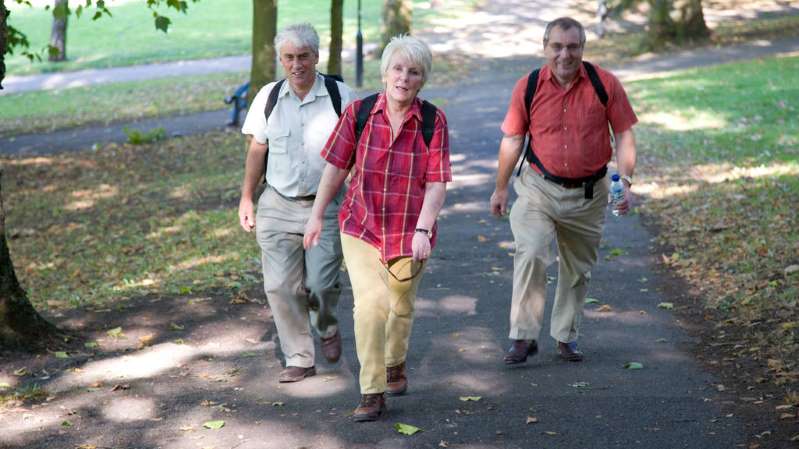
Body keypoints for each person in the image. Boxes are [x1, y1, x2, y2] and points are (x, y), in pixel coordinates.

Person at [304, 35, 451, 422]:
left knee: (400, 306)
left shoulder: (433, 120)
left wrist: (423, 229)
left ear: (422, 79)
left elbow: (436, 183)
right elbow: (336, 167)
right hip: (361, 224)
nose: (404, 77)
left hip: (408, 230)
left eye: (414, 71)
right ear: (385, 72)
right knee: (369, 305)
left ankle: (394, 362)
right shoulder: (360, 113)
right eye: (398, 68)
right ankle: (372, 391)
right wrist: (317, 214)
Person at [489, 17, 637, 365]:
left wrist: (626, 181)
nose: (565, 54)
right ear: (545, 48)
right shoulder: (528, 86)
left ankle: (565, 336)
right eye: (557, 46)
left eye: (572, 46)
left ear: (582, 48)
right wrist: (500, 189)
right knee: (531, 251)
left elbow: (625, 134)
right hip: (538, 188)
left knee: (577, 268)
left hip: (589, 194)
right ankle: (523, 337)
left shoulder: (605, 84)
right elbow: (513, 139)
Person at [238, 23, 354, 383]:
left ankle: (326, 326)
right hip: (278, 203)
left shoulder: (340, 96)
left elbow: (357, 153)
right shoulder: (268, 97)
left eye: (304, 56)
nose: (296, 64)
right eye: (289, 57)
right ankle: (299, 358)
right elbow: (258, 149)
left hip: (327, 205)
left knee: (321, 284)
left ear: (316, 57)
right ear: (280, 60)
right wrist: (246, 197)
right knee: (279, 286)